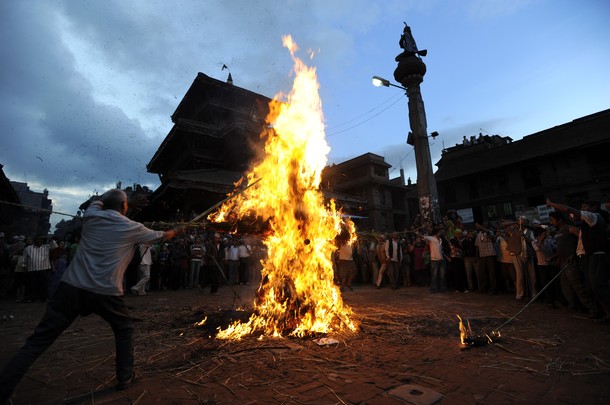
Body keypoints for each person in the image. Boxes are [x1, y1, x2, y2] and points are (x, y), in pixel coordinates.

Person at [0, 189, 185, 403]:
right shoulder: (132, 227)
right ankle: (125, 377)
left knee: (38, 341)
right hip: (106, 291)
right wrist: (178, 229)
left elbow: (98, 200)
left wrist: (129, 202)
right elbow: (163, 236)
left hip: (72, 287)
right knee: (124, 329)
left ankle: (4, 388)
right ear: (124, 208)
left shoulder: (92, 215)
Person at [547, 198, 610, 321]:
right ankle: (606, 314)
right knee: (593, 287)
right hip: (587, 257)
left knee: (598, 286)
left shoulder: (593, 217)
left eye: (585, 207)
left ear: (593, 208)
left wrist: (552, 204)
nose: (582, 210)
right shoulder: (585, 224)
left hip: (596, 255)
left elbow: (569, 210)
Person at [23, 235, 57, 302]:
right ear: (34, 240)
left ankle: (43, 298)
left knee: (43, 284)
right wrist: (24, 268)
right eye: (37, 239)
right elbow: (24, 259)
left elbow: (56, 246)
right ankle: (32, 298)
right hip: (32, 269)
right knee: (32, 285)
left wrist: (50, 239)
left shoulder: (46, 247)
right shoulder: (28, 248)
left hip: (44, 268)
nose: (39, 241)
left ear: (42, 240)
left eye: (40, 239)